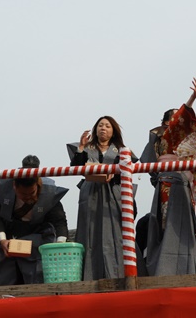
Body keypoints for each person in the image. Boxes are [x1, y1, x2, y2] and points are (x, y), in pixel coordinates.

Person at [139, 77, 196, 276]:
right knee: (166, 224)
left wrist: (193, 98)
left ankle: (188, 266)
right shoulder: (162, 138)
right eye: (175, 117)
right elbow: (148, 165)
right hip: (166, 184)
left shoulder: (185, 139)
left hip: (182, 183)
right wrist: (192, 97)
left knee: (186, 224)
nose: (180, 120)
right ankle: (165, 266)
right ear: (167, 122)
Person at [68, 116, 146, 281]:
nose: (103, 128)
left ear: (113, 131)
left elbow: (126, 173)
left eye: (108, 126)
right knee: (91, 231)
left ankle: (121, 273)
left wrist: (114, 172)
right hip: (91, 193)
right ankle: (90, 275)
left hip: (114, 194)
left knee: (117, 231)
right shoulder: (87, 148)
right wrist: (81, 147)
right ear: (95, 129)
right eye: (100, 125)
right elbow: (76, 168)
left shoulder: (122, 150)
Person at [0, 155, 69, 286]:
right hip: (8, 236)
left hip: (37, 236)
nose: (27, 198)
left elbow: (59, 221)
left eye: (31, 193)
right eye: (23, 194)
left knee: (37, 272)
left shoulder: (49, 193)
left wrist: (58, 246)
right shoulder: (2, 190)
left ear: (37, 185)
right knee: (4, 270)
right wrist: (2, 240)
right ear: (14, 186)